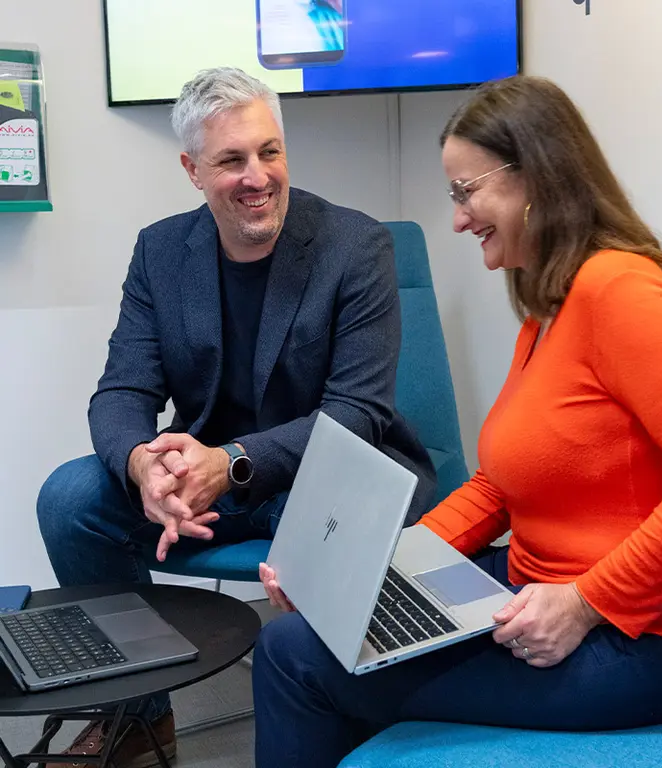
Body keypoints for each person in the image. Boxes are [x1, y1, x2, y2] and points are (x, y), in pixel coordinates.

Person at [254, 75, 662, 768]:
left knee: (292, 656)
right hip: (534, 588)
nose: (459, 219)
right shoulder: (549, 310)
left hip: (647, 641)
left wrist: (586, 603)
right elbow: (498, 487)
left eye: (467, 193)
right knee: (335, 621)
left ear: (535, 177)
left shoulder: (623, 292)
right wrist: (372, 565)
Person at [35, 67, 435, 767]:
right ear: (192, 170)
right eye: (231, 160)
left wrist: (231, 463)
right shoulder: (161, 251)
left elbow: (358, 414)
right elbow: (121, 391)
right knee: (70, 500)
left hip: (325, 472)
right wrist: (144, 466)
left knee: (331, 527)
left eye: (270, 152)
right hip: (209, 478)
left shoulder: (355, 246)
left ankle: (346, 726)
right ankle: (139, 717)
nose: (258, 176)